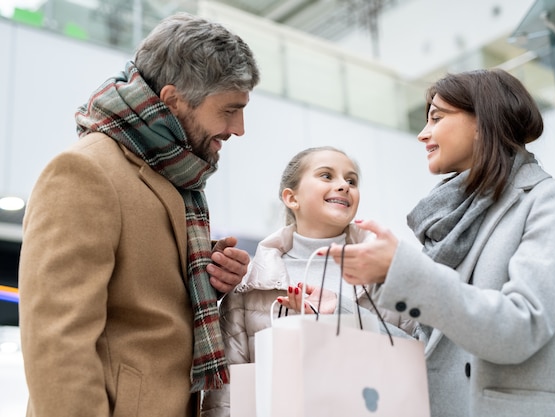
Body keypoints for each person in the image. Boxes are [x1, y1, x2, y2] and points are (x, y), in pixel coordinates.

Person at [18, 12, 259, 417]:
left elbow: (146, 306)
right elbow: (57, 342)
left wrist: (206, 276)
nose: (239, 128)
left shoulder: (174, 176)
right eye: (229, 110)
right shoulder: (84, 172)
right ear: (172, 100)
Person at [323, 69, 555, 417]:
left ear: (484, 120)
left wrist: (402, 269)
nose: (423, 135)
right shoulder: (454, 222)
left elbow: (522, 326)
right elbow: (437, 353)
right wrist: (344, 310)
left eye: (436, 118)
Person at [201, 146, 419, 416]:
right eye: (326, 176)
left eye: (351, 180)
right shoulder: (251, 285)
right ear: (292, 198)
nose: (343, 185)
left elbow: (417, 365)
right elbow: (227, 395)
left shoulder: (389, 276)